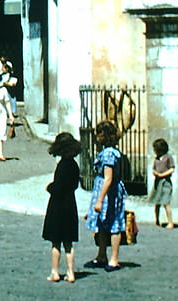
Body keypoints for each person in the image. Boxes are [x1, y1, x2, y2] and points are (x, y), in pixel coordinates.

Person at [85, 119, 127, 271]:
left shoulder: (109, 154)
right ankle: (101, 255)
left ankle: (114, 258)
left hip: (110, 194)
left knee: (114, 224)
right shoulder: (108, 151)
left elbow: (108, 178)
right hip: (105, 191)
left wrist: (100, 200)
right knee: (102, 223)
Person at [42, 132, 81, 283]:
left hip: (58, 205)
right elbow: (74, 185)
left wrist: (50, 187)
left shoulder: (62, 166)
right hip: (70, 204)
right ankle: (71, 272)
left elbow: (58, 187)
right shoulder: (74, 165)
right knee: (68, 243)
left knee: (56, 242)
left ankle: (55, 272)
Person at [150, 137, 175, 229]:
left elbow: (172, 169)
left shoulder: (168, 157)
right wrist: (155, 173)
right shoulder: (156, 158)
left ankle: (170, 222)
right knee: (156, 202)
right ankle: (157, 220)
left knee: (166, 202)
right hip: (157, 183)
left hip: (165, 182)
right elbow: (153, 168)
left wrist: (162, 175)